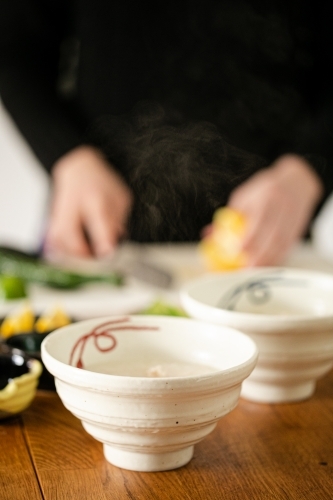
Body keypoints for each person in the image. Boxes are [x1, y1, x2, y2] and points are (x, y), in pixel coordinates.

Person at [0, 0, 331, 266]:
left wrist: (310, 167)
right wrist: (67, 156)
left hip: (271, 244)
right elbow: (13, 48)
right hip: (98, 236)